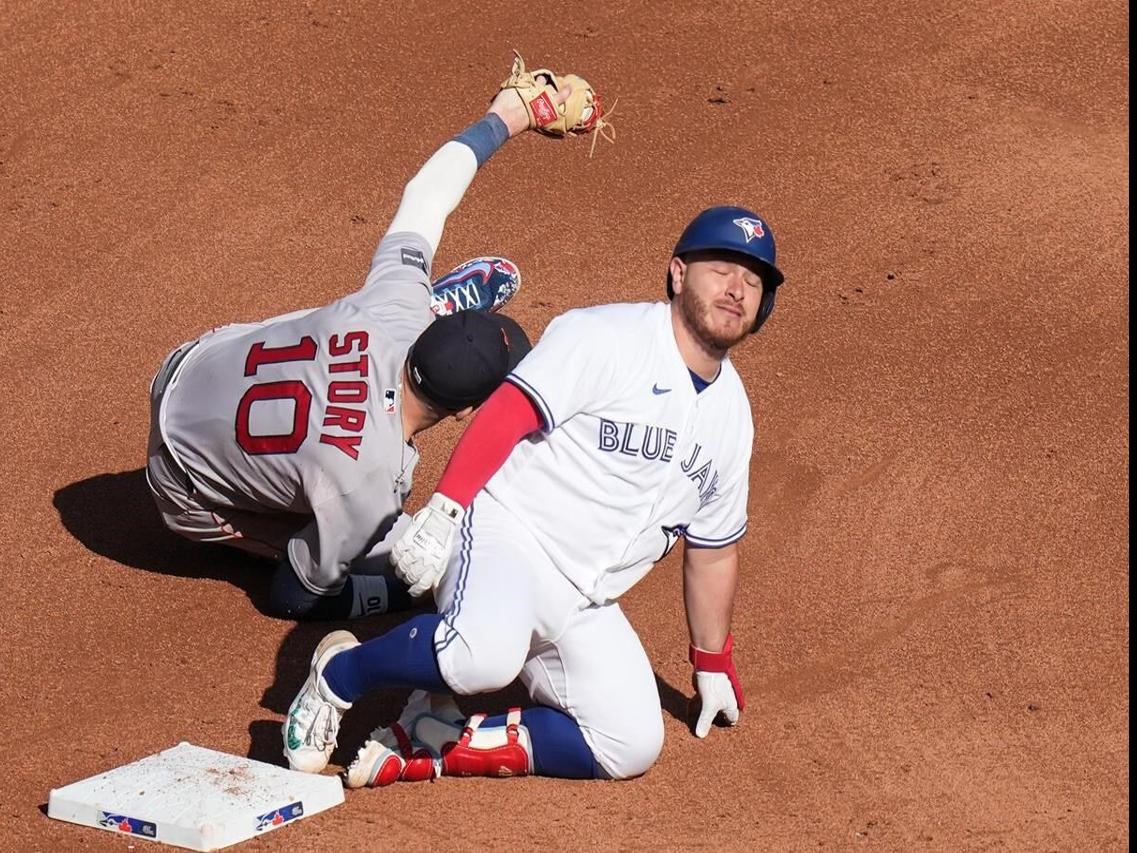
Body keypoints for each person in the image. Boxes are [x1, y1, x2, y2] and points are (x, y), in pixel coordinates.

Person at [280, 200, 787, 783]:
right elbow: (508, 412)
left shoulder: (733, 418)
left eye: (752, 281)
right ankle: (340, 675)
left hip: (586, 595)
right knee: (482, 657)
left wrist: (712, 660)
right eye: (721, 269)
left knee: (631, 742)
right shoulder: (608, 337)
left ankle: (437, 740)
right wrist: (447, 509)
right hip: (506, 533)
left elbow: (714, 548)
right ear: (678, 274)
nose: (736, 289)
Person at [144, 88, 550, 622]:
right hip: (180, 483)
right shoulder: (371, 488)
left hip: (184, 364)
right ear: (465, 411)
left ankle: (431, 304)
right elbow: (292, 594)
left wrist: (505, 117)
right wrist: (401, 596)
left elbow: (425, 195)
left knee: (359, 313)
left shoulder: (391, 306)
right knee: (415, 558)